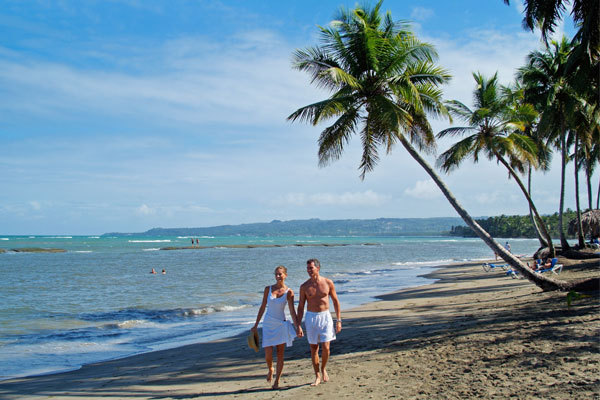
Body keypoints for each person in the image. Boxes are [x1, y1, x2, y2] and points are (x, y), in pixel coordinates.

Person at [251, 266, 302, 389]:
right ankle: (270, 369)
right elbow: (263, 307)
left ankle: (277, 381)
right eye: (276, 274)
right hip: (268, 324)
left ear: (285, 275)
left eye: (280, 274)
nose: (278, 276)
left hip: (281, 324)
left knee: (280, 354)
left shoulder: (289, 292)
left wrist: (298, 326)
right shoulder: (268, 289)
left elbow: (292, 310)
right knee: (268, 353)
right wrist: (256, 324)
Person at [297, 258, 341, 386]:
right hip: (311, 317)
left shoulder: (328, 282)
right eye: (307, 268)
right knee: (313, 348)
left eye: (311, 268)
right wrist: (298, 324)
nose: (309, 271)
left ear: (318, 268)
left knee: (326, 347)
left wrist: (338, 320)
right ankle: (317, 375)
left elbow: (335, 301)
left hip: (325, 316)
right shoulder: (304, 287)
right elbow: (300, 306)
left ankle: (323, 368)